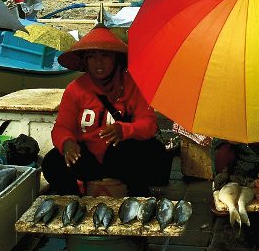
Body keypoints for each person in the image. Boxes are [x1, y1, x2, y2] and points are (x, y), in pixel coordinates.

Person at [42, 25, 170, 196]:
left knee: (154, 152)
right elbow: (61, 127)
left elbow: (148, 124)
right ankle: (74, 201)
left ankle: (136, 197)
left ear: (115, 58)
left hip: (120, 158)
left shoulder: (132, 85)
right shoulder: (76, 89)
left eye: (105, 56)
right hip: (87, 158)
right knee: (52, 162)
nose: (98, 63)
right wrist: (67, 143)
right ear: (85, 61)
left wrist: (124, 130)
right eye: (92, 57)